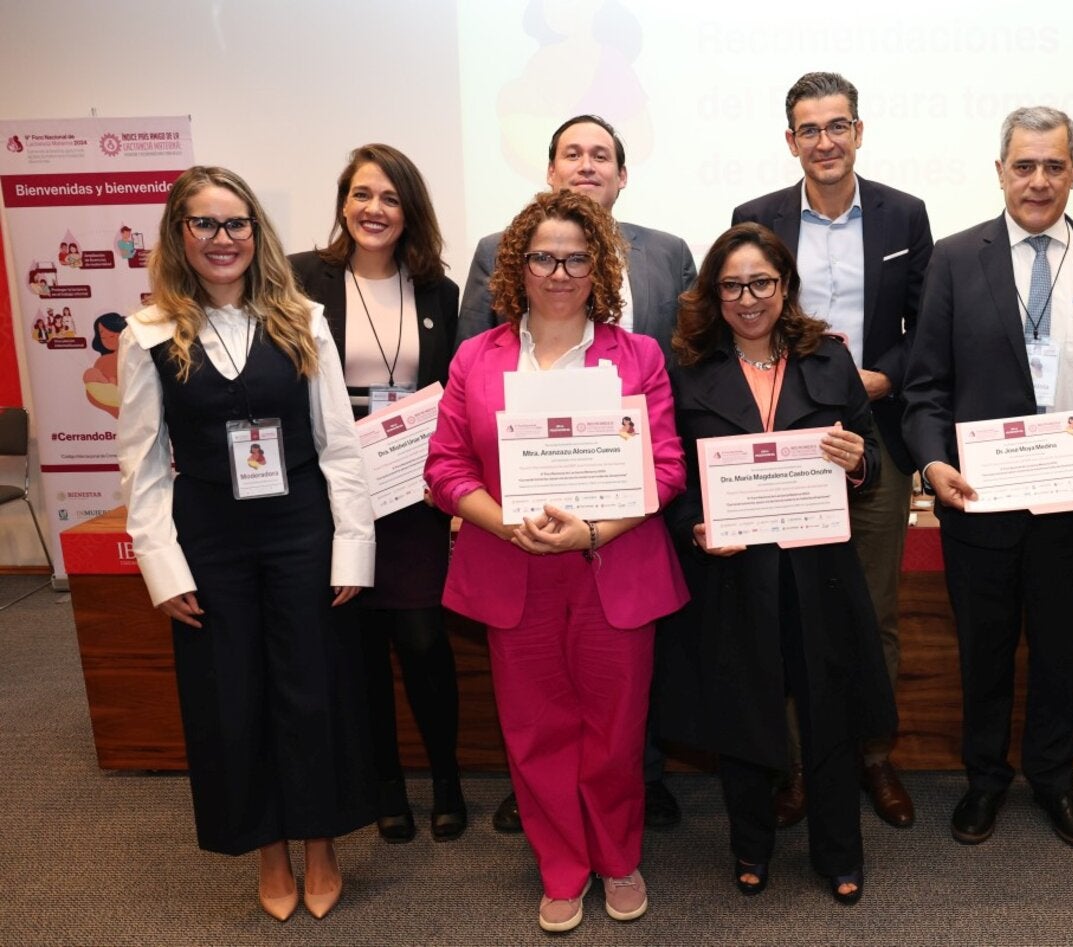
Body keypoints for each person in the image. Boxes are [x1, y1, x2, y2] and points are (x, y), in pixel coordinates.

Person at [115, 166, 376, 922]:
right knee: (231, 695)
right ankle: (267, 848)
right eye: (204, 224)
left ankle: (320, 841)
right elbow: (144, 462)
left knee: (312, 686)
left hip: (301, 527)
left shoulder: (304, 318)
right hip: (210, 537)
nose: (222, 239)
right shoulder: (148, 335)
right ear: (179, 235)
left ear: (255, 233)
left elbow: (339, 445)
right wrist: (162, 568)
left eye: (236, 224)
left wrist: (352, 547)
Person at [425, 188, 687, 933]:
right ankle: (563, 867)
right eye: (544, 256)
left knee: (614, 728)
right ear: (518, 265)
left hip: (612, 564)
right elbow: (444, 470)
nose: (561, 271)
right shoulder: (478, 357)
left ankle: (618, 856)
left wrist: (594, 532)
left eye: (577, 257)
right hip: (515, 569)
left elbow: (665, 468)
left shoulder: (637, 355)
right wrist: (505, 527)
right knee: (536, 731)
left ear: (599, 266)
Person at [901, 107, 1073, 848]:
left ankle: (1054, 777)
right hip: (980, 500)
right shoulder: (952, 258)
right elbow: (925, 387)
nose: (1038, 181)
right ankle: (984, 779)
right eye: (1024, 165)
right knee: (984, 648)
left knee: (1059, 650)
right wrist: (932, 458)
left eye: (1054, 165)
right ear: (1001, 170)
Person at [457, 113, 695, 832]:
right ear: (551, 172)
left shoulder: (667, 254)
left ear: (622, 174)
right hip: (518, 518)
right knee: (539, 700)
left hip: (627, 512)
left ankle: (635, 782)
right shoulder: (496, 254)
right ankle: (549, 806)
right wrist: (500, 508)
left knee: (625, 680)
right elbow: (472, 378)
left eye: (602, 155)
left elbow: (684, 372)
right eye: (572, 153)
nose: (587, 165)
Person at [659, 222, 896, 904]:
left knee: (829, 714)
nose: (747, 297)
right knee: (743, 713)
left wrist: (857, 463)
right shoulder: (690, 369)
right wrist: (694, 528)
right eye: (730, 285)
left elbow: (871, 456)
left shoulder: (827, 359)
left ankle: (839, 852)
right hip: (734, 572)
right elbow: (673, 476)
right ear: (713, 293)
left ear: (784, 285)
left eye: (760, 281)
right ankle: (750, 845)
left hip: (818, 570)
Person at [732, 71, 931, 830]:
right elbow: (741, 318)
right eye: (809, 129)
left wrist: (881, 379)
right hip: (782, 433)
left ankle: (872, 754)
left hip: (870, 427)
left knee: (873, 606)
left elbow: (926, 332)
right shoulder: (757, 217)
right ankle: (796, 766)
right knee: (789, 603)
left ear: (858, 131)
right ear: (791, 141)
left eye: (837, 125)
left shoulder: (903, 215)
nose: (825, 141)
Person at [289, 143, 466, 845]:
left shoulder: (438, 290)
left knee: (423, 639)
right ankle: (385, 781)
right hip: (336, 489)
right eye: (363, 194)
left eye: (390, 197)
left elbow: (449, 393)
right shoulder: (305, 279)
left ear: (410, 210)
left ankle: (446, 775)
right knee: (358, 644)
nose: (375, 209)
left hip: (411, 490)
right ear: (343, 203)